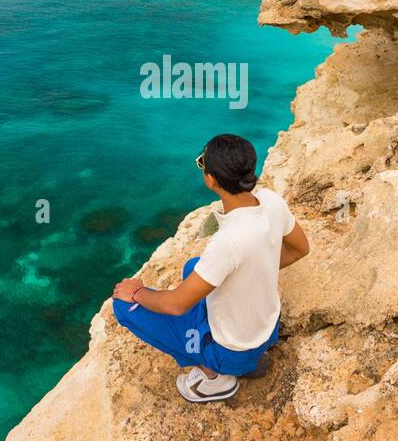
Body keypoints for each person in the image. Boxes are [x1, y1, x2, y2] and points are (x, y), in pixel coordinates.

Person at [112, 134, 309, 403]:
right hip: (266, 330)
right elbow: (300, 249)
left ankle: (215, 377)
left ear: (211, 180)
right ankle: (247, 359)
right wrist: (257, 266)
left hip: (231, 350)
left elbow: (176, 305)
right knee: (193, 267)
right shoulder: (271, 201)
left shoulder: (227, 242)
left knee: (123, 308)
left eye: (203, 163)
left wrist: (136, 293)